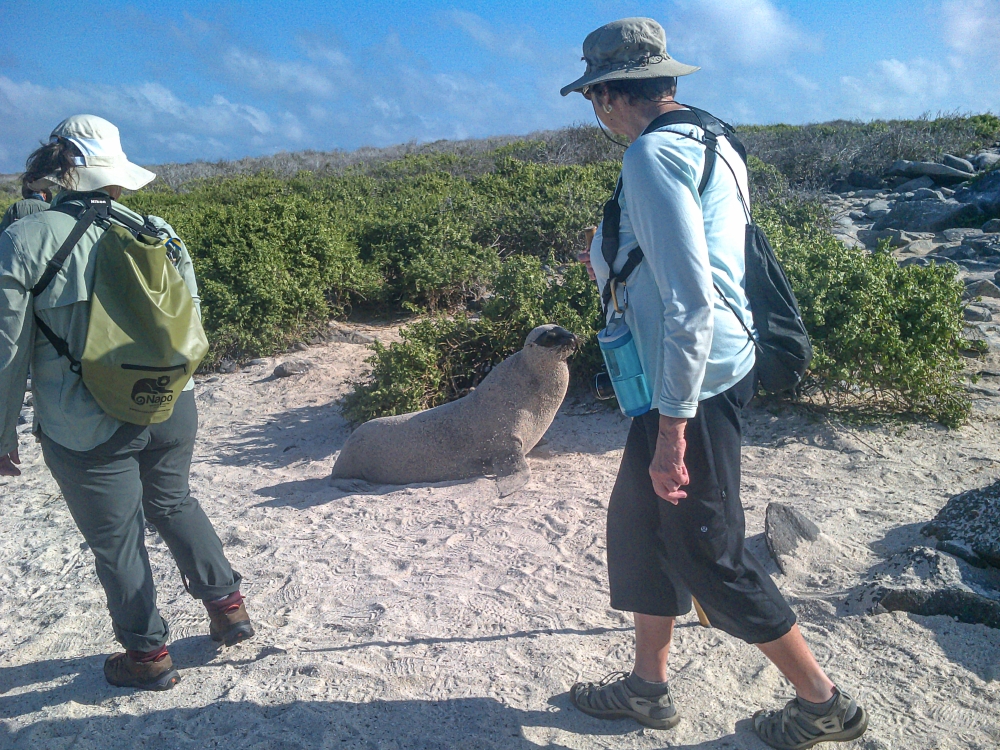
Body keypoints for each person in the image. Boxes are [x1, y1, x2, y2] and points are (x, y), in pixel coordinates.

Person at [563, 19, 868, 749]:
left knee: (710, 550)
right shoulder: (712, 137)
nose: (596, 111)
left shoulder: (650, 155)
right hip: (689, 373)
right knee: (639, 528)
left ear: (609, 94)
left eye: (594, 98)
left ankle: (823, 705)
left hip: (688, 384)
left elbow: (691, 301)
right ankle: (647, 688)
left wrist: (672, 430)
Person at [0, 115, 254, 691]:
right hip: (171, 404)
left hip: (86, 422)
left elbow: (7, 351)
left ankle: (147, 656)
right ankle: (228, 608)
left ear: (57, 169)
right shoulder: (159, 231)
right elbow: (190, 325)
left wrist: (1, 432)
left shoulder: (24, 239)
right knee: (173, 501)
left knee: (116, 540)